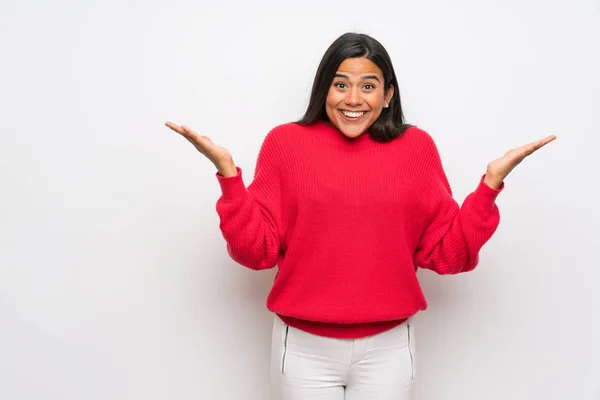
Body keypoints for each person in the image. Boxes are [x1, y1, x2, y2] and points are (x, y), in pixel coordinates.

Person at [165, 32, 555, 400]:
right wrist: (230, 177)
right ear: (324, 90)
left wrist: (489, 185)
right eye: (340, 84)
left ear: (387, 95)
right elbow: (256, 253)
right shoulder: (285, 144)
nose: (353, 99)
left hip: (388, 350)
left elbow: (448, 254)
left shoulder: (415, 148)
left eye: (368, 86)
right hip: (302, 349)